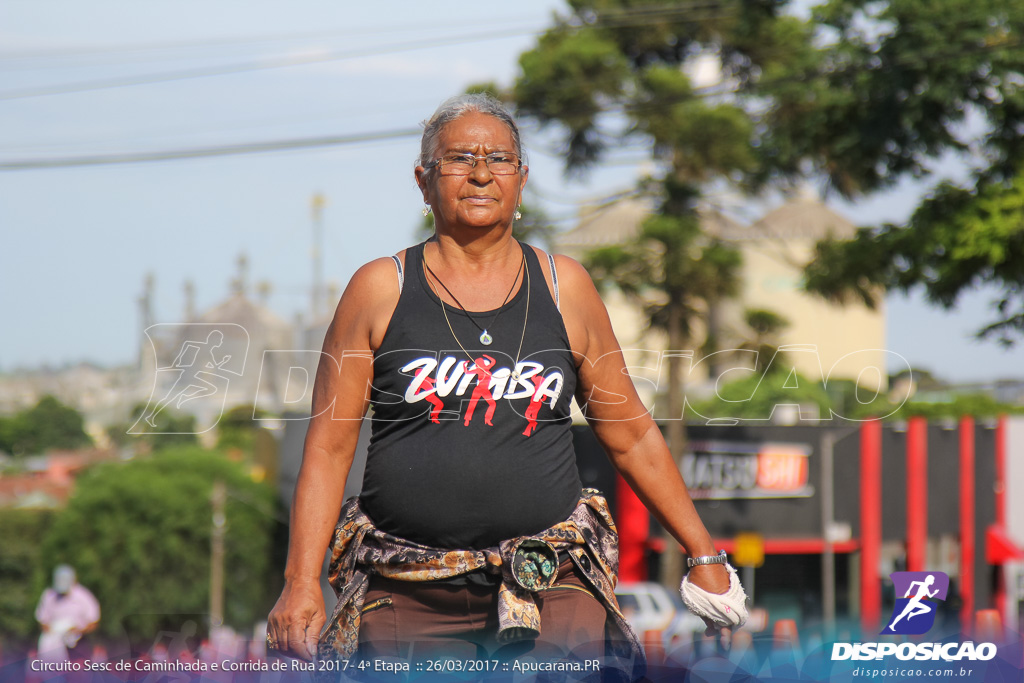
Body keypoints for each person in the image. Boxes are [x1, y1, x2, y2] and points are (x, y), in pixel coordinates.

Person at [266, 94, 747, 678]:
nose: (479, 173)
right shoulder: (378, 289)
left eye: (498, 159)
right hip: (407, 591)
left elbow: (631, 434)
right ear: (423, 181)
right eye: (459, 158)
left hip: (550, 582)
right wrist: (300, 583)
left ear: (521, 180)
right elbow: (328, 446)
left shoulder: (564, 286)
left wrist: (703, 552)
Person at [35, 565, 100, 663]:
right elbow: (43, 620)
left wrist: (78, 630)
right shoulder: (49, 595)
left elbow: (93, 622)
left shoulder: (84, 596)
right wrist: (53, 633)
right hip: (54, 643)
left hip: (78, 643)